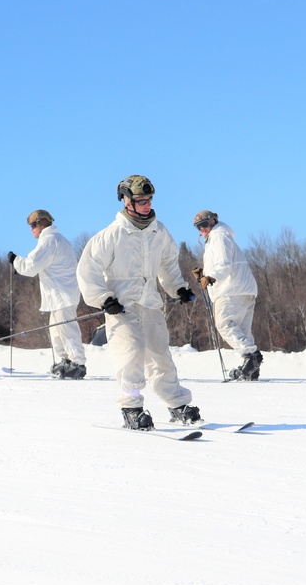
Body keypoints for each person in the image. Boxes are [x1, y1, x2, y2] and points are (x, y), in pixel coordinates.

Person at [76, 175, 200, 430]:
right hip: (122, 307)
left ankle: (178, 404)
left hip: (151, 304)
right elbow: (87, 271)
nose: (147, 204)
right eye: (141, 200)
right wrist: (104, 299)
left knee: (161, 356)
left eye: (149, 199)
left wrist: (179, 289)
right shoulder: (111, 235)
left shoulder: (159, 231)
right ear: (126, 201)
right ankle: (131, 407)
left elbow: (168, 265)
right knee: (130, 353)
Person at [8, 210, 87, 379]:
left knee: (66, 330)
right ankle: (66, 361)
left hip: (62, 294)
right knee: (57, 331)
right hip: (59, 295)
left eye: (33, 225)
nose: (31, 229)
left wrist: (15, 260)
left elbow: (31, 266)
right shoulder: (56, 240)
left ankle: (78, 364)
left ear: (42, 223)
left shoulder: (50, 241)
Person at [192, 210, 263, 381]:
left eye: (204, 225)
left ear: (214, 221)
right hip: (244, 289)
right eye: (198, 227)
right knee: (242, 331)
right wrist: (204, 273)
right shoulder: (220, 236)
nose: (202, 229)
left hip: (231, 289)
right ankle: (251, 370)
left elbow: (224, 264)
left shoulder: (219, 236)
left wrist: (211, 277)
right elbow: (221, 262)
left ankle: (251, 356)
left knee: (224, 323)